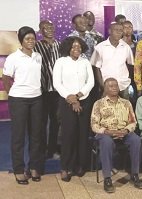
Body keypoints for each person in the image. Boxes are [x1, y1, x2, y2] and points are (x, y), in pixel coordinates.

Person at [3, 26, 43, 184]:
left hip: (37, 99)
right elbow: (6, 78)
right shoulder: (13, 57)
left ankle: (33, 167)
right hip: (18, 99)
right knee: (19, 136)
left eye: (33, 38)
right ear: (21, 40)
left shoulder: (38, 56)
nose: (31, 41)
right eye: (27, 38)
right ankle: (18, 169)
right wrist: (13, 93)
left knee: (36, 136)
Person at [91, 78, 142, 193]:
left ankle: (135, 174)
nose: (114, 87)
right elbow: (94, 125)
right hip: (106, 133)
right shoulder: (98, 104)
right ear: (105, 89)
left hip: (123, 132)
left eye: (116, 85)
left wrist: (125, 131)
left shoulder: (126, 103)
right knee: (106, 142)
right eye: (111, 86)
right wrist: (107, 132)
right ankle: (107, 178)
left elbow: (133, 122)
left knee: (136, 139)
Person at [53, 36, 95, 181]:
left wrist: (78, 96)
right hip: (66, 102)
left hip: (84, 100)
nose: (76, 49)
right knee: (68, 135)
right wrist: (71, 99)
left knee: (82, 134)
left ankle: (80, 165)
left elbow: (91, 82)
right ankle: (65, 167)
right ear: (68, 48)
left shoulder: (85, 62)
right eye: (73, 47)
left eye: (79, 47)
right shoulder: (61, 62)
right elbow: (57, 83)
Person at [33, 20, 61, 160]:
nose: (49, 29)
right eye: (45, 27)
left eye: (51, 26)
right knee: (42, 122)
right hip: (42, 90)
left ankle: (53, 149)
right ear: (40, 30)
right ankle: (42, 150)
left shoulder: (60, 45)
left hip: (57, 91)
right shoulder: (36, 46)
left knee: (56, 121)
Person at [91, 22, 133, 99]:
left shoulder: (126, 47)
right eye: (116, 30)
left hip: (123, 85)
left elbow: (130, 65)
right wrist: (102, 86)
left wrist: (127, 79)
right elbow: (96, 68)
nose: (118, 32)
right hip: (107, 86)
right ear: (110, 31)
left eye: (120, 30)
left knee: (124, 109)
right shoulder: (100, 48)